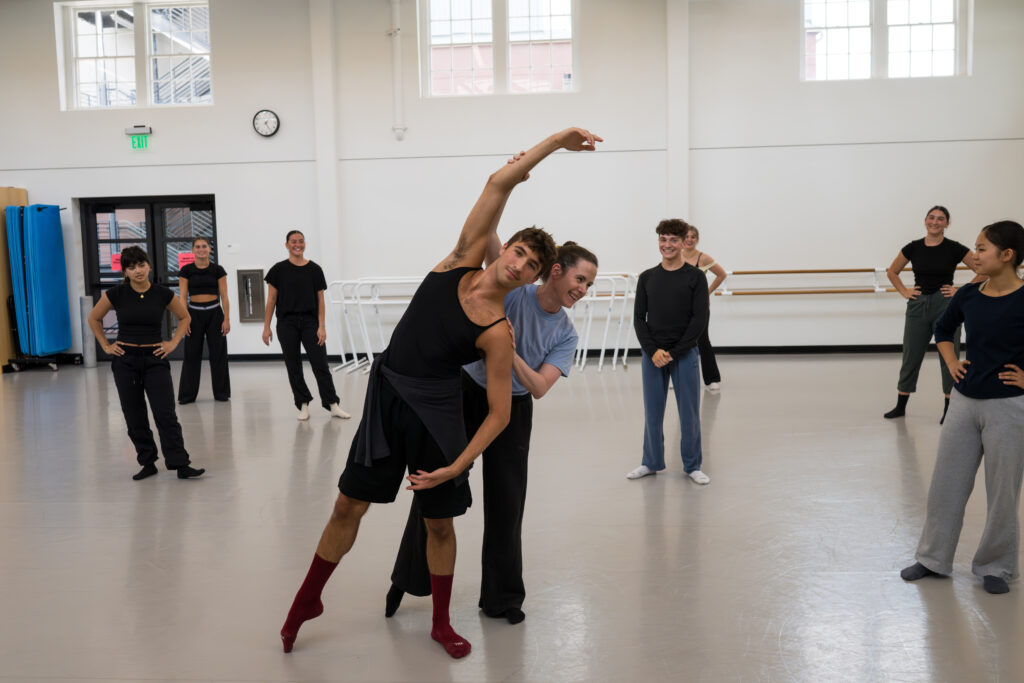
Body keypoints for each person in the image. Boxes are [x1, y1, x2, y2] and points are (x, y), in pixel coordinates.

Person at [278, 127, 601, 658]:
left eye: (530, 267)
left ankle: (442, 622)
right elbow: (499, 184)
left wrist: (456, 467)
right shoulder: (458, 260)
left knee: (440, 523)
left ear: (531, 279)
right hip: (388, 401)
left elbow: (500, 414)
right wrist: (555, 142)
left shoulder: (500, 332)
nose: (518, 264)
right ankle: (307, 600)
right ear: (505, 248)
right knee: (346, 506)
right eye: (518, 252)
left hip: (438, 413)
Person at [384, 239, 599, 625]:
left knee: (507, 502)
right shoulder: (516, 293)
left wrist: (507, 350)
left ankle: (503, 598)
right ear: (555, 271)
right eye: (580, 279)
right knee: (435, 488)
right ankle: (407, 579)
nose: (583, 290)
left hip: (514, 409)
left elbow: (539, 386)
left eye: (588, 285)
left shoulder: (565, 334)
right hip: (465, 393)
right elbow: (492, 245)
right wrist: (505, 185)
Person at [900, 220, 1024, 595]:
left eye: (982, 248)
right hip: (965, 402)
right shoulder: (970, 294)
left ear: (1007, 256)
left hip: (1008, 407)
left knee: (1003, 491)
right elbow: (943, 329)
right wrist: (952, 363)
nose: (975, 255)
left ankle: (996, 566)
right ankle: (933, 558)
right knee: (946, 484)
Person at [86, 246, 206, 481]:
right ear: (125, 272)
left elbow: (185, 317)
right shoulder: (116, 294)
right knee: (134, 414)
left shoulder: (162, 294)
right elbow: (94, 318)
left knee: (165, 413)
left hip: (155, 359)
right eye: (131, 267)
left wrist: (173, 343)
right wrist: (106, 345)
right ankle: (148, 461)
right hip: (125, 361)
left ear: (149, 266)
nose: (138, 271)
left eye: (141, 265)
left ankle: (180, 464)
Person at [627, 218, 710, 484]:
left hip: (684, 354)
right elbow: (640, 318)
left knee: (689, 413)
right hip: (653, 355)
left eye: (673, 240)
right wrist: (653, 351)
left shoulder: (695, 277)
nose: (667, 245)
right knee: (652, 412)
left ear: (684, 242)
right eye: (663, 239)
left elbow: (699, 319)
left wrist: (674, 352)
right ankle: (650, 462)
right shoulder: (648, 278)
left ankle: (693, 465)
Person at [883, 206, 980, 422]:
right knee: (911, 354)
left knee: (949, 356)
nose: (935, 222)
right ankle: (901, 405)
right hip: (918, 305)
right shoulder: (913, 247)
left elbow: (983, 270)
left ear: (947, 224)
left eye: (941, 219)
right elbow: (892, 271)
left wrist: (961, 291)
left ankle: (949, 408)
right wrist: (904, 291)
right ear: (925, 220)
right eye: (932, 217)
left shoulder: (954, 248)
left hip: (945, 305)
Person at [261, 230, 350, 420]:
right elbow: (271, 300)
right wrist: (266, 327)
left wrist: (322, 326)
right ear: (286, 245)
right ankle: (303, 405)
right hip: (287, 323)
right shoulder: (278, 270)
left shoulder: (315, 270)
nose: (297, 244)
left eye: (301, 241)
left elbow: (320, 300)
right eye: (293, 241)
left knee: (320, 364)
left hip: (310, 322)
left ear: (305, 244)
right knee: (293, 365)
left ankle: (332, 404)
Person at [177, 236, 230, 403]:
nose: (201, 249)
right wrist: (184, 320)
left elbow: (224, 296)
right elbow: (183, 296)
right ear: (193, 250)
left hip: (215, 314)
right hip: (193, 315)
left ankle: (221, 393)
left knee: (218, 354)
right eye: (197, 247)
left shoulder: (218, 270)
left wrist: (226, 319)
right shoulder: (186, 271)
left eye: (204, 246)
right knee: (191, 354)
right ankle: (187, 395)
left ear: (209, 249)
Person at [680, 223, 727, 390]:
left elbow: (722, 274)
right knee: (678, 340)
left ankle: (712, 379)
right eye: (686, 237)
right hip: (679, 306)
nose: (689, 240)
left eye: (693, 237)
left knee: (703, 340)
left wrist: (707, 292)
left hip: (699, 306)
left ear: (697, 239)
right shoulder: (675, 256)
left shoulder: (704, 258)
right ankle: (676, 376)